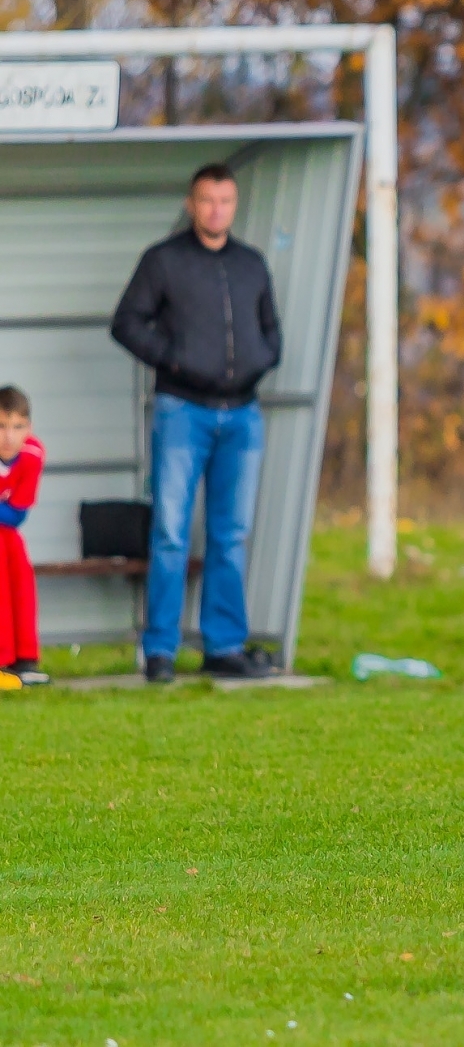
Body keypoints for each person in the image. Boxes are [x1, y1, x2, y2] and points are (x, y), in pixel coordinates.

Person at [112, 162, 281, 684]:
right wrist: (176, 359)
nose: (216, 210)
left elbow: (271, 329)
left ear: (234, 205)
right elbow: (127, 322)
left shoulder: (251, 264)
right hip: (182, 411)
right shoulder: (164, 261)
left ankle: (223, 646)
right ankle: (160, 650)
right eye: (207, 200)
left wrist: (262, 358)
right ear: (192, 204)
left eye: (225, 201)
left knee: (231, 534)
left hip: (243, 415)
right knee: (169, 532)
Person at [0, 386, 47, 686]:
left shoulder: (32, 455)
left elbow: (17, 515)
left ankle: (24, 657)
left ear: (28, 428)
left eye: (17, 427)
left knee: (18, 565)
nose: (8, 436)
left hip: (6, 531)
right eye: (1, 426)